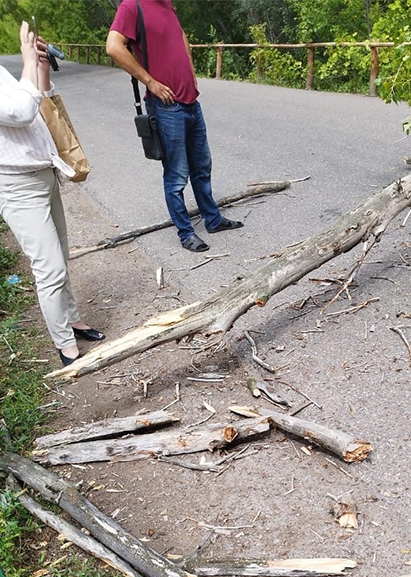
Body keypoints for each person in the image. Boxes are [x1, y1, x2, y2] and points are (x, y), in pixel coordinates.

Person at [0, 21, 103, 366]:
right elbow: (18, 111)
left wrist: (41, 70)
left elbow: (36, 106)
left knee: (61, 255)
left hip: (42, 175)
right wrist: (28, 59)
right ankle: (63, 343)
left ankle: (72, 320)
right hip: (16, 187)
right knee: (49, 268)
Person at [105, 0, 242, 253]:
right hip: (166, 107)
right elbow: (113, 47)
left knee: (202, 166)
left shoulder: (167, 4)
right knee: (177, 174)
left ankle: (212, 220)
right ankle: (186, 232)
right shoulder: (132, 6)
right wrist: (151, 82)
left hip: (191, 101)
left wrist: (190, 69)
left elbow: (180, 34)